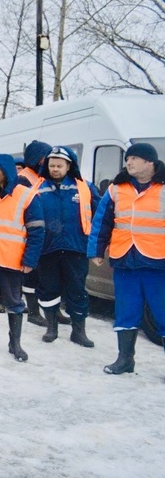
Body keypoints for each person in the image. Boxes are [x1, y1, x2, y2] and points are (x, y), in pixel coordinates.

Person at [88, 142, 165, 375]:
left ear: (149, 162)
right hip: (124, 259)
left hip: (157, 262)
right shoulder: (116, 188)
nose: (128, 162)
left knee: (162, 312)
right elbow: (102, 221)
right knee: (126, 311)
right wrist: (95, 250)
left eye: (134, 158)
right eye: (127, 158)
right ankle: (125, 359)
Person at [0, 153, 44, 362]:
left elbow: (37, 231)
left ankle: (15, 344)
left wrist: (30, 260)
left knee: (14, 302)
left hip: (11, 259)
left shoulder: (26, 195)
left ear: (7, 170)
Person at [35, 146, 100, 347]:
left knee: (77, 290)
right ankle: (51, 327)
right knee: (48, 289)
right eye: (52, 165)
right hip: (47, 250)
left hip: (76, 249)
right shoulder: (37, 188)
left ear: (68, 166)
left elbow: (99, 218)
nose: (55, 169)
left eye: (59, 166)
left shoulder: (85, 188)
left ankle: (78, 332)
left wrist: (96, 245)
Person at [17, 140, 62, 328]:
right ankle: (33, 311)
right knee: (31, 275)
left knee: (51, 276)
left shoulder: (42, 176)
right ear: (37, 158)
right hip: (31, 233)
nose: (48, 161)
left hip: (49, 234)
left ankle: (54, 310)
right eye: (45, 157)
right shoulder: (23, 178)